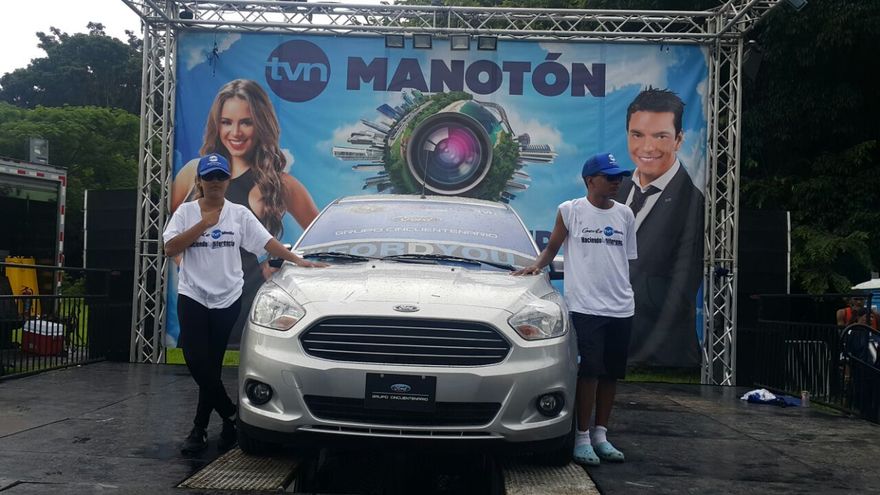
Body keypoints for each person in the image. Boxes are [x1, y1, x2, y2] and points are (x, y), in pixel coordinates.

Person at [163, 153, 326, 454]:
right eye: (209, 177)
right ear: (199, 181)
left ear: (227, 181)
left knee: (212, 365)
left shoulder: (239, 214)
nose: (214, 182)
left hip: (227, 298)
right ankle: (231, 414)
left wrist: (299, 261)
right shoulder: (186, 212)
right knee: (196, 360)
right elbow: (170, 247)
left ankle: (199, 429)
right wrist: (203, 224)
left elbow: (266, 243)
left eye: (220, 176)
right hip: (193, 295)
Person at [171, 79, 320, 346]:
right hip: (199, 302)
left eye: (246, 122)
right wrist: (193, 271)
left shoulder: (280, 184)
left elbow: (318, 236)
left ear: (261, 124)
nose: (235, 132)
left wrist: (285, 264)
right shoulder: (192, 172)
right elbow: (171, 237)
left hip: (248, 304)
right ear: (217, 125)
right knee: (197, 359)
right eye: (227, 122)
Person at [514, 152, 637, 466]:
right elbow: (552, 247)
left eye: (619, 177)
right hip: (585, 306)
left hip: (621, 307)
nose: (616, 182)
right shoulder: (570, 211)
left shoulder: (625, 214)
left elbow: (626, 260)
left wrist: (623, 293)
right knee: (589, 372)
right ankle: (581, 437)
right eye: (610, 177)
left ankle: (601, 436)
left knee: (611, 375)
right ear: (590, 180)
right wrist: (536, 266)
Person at [614, 87, 704, 367]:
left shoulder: (693, 204)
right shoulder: (618, 188)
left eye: (660, 136)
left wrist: (615, 285)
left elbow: (680, 292)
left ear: (679, 140)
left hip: (663, 358)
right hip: (615, 345)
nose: (647, 147)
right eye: (637, 135)